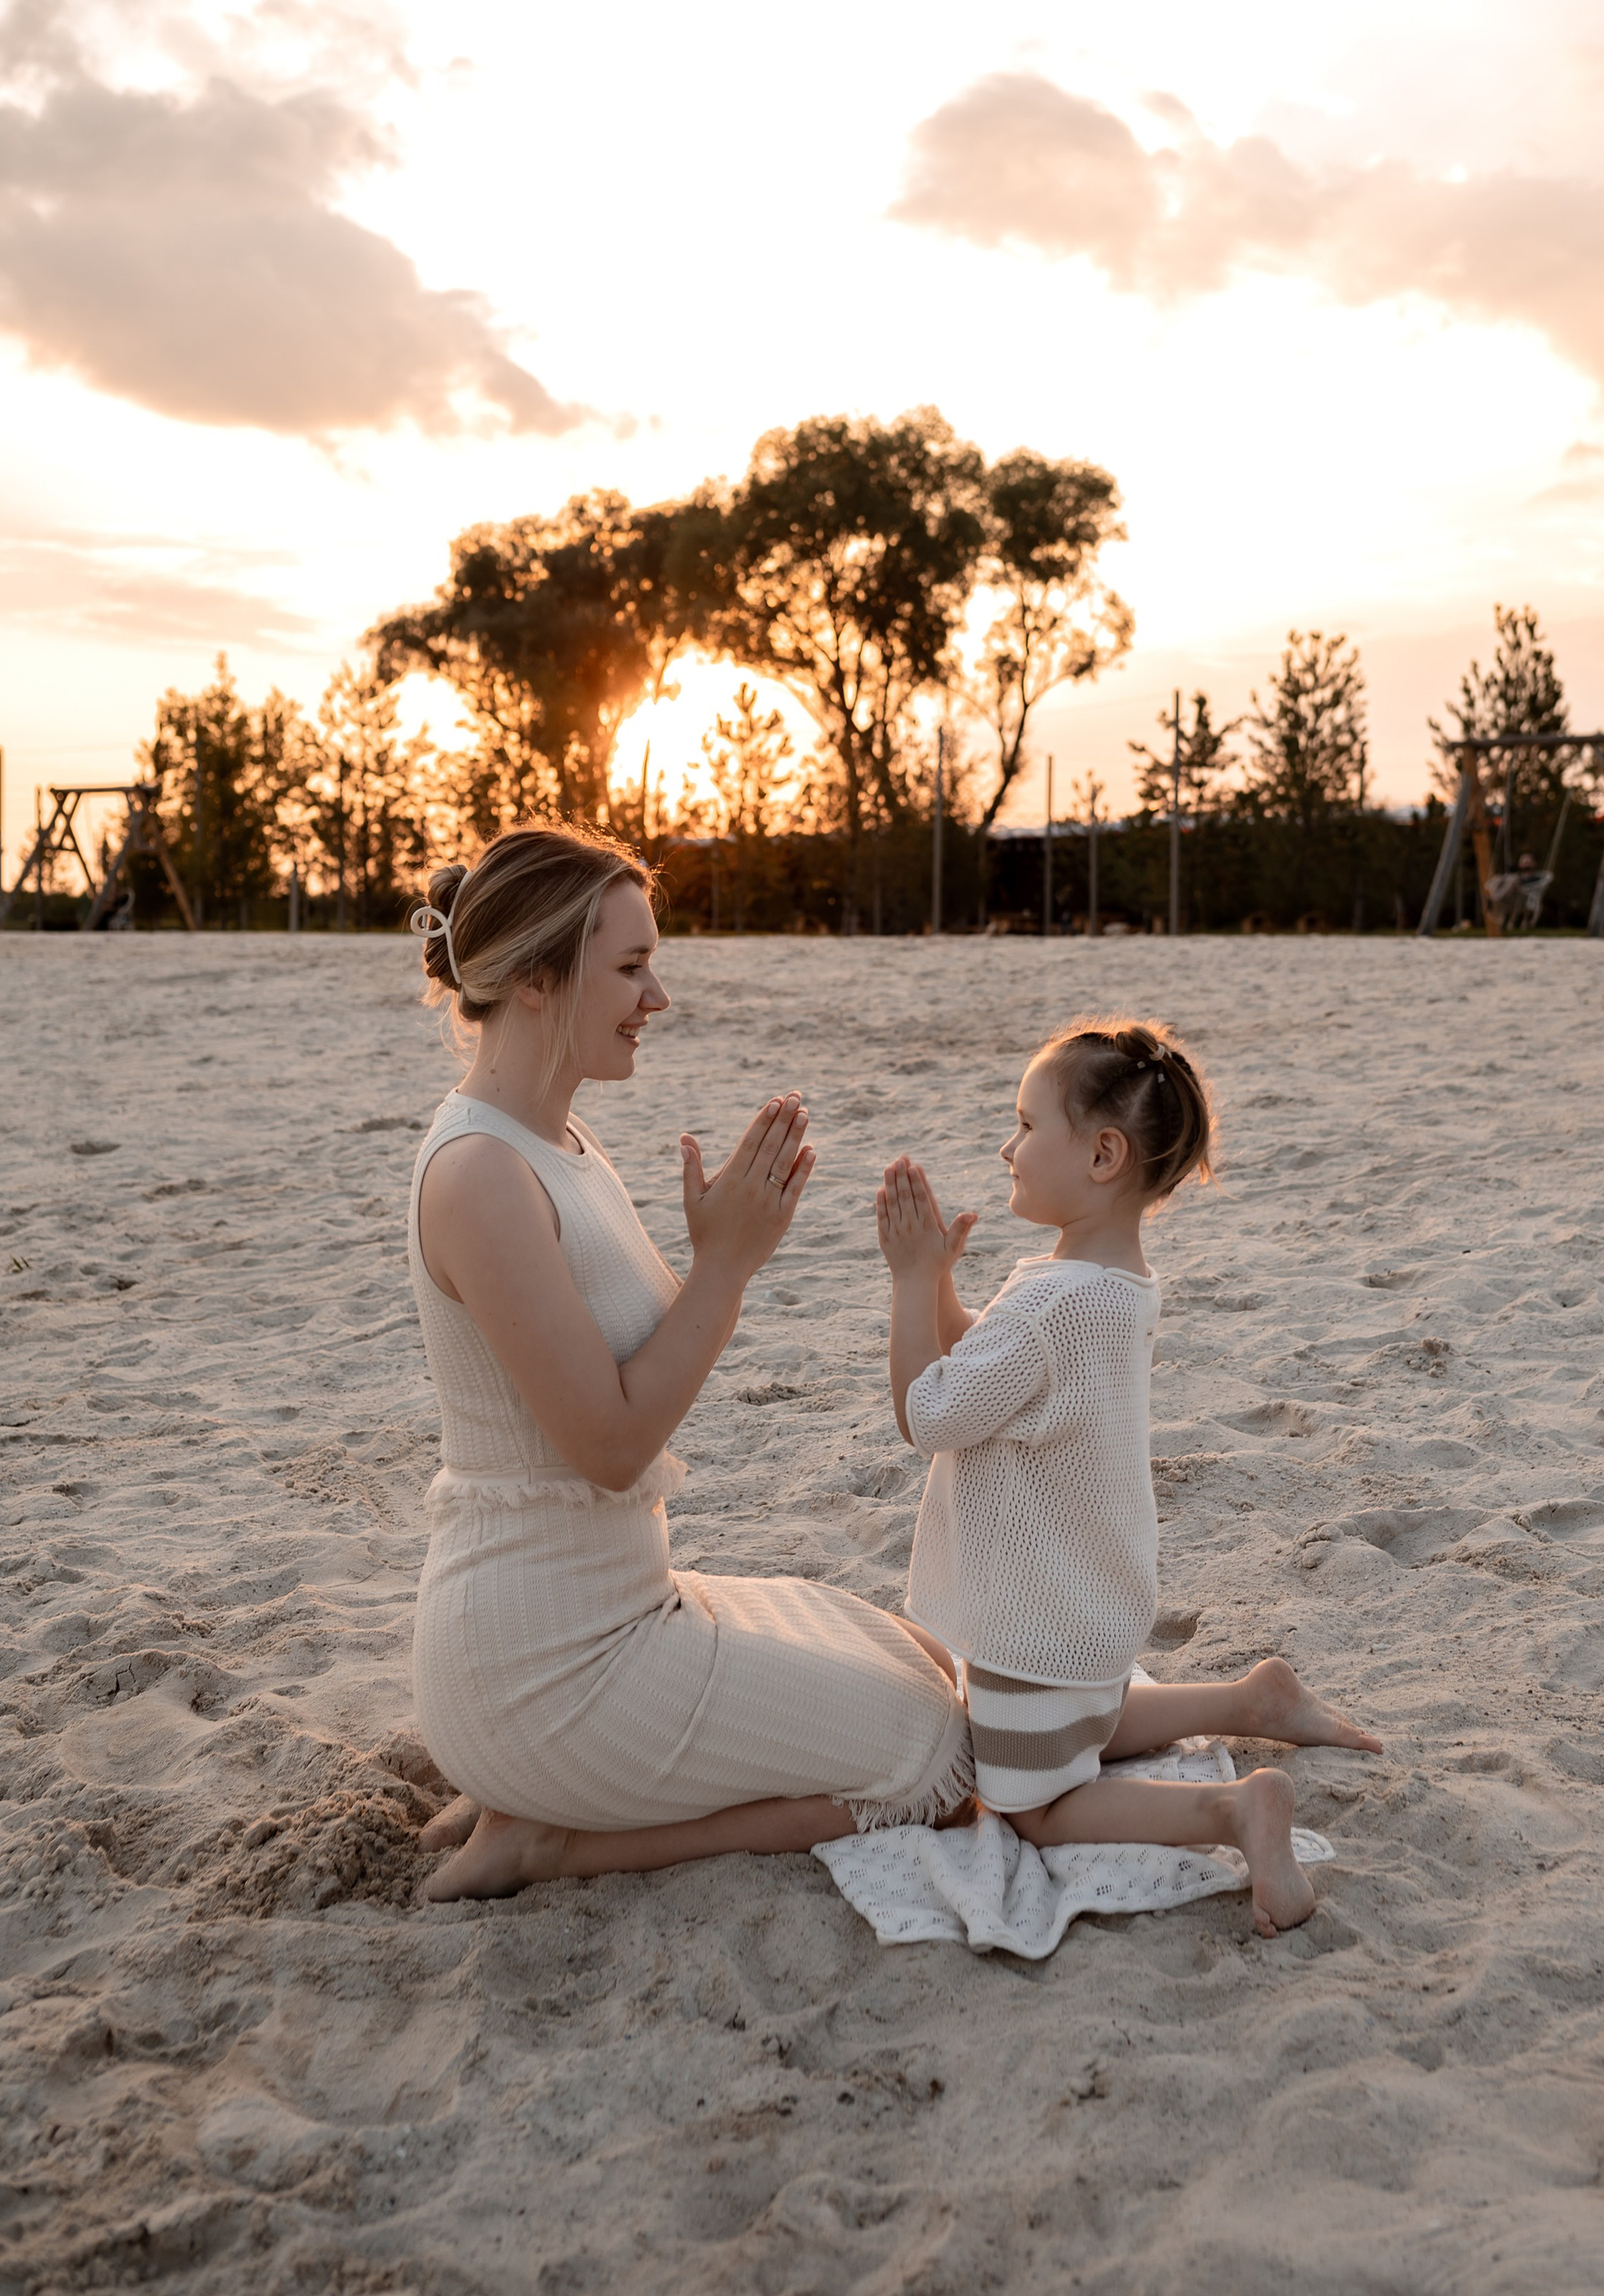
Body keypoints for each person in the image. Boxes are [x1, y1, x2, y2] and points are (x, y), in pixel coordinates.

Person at [408, 823, 971, 1903]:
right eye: (629, 967)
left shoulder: (555, 1141)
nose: (656, 997)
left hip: (617, 1607)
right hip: (543, 1667)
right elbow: (614, 1445)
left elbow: (634, 1365)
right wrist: (727, 1264)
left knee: (921, 1660)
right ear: (535, 978)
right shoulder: (482, 1174)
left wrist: (725, 1252)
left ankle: (542, 1800)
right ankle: (546, 1839)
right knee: (937, 1766)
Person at [875, 1016, 1380, 1935]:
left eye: (1025, 1124)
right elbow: (987, 1368)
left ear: (1103, 1153)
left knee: (1034, 1805)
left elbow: (933, 1413)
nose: (1006, 1146)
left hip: (1033, 1615)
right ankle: (1248, 1698)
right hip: (1090, 1594)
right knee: (1087, 1716)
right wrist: (946, 1286)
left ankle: (1232, 1813)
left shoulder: (1050, 1303)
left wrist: (911, 1283)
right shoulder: (1106, 1284)